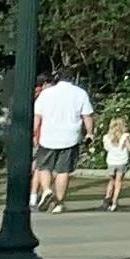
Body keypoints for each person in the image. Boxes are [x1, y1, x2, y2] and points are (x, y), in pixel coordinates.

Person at [32, 68, 94, 214]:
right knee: (63, 171)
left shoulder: (46, 93)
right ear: (73, 78)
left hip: (48, 135)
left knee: (44, 167)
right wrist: (90, 133)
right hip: (70, 137)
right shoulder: (80, 94)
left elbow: (37, 116)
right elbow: (87, 116)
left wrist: (35, 133)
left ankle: (47, 190)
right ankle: (59, 203)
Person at [99, 111, 130, 212]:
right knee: (118, 181)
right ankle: (114, 201)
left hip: (111, 161)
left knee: (111, 181)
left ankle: (107, 197)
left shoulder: (106, 137)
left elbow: (106, 149)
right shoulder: (125, 136)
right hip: (122, 161)